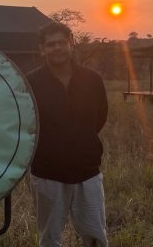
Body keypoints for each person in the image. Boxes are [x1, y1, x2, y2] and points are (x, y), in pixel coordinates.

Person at [28, 21, 109, 247]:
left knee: (95, 235)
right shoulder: (31, 83)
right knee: (49, 238)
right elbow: (27, 123)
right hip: (47, 173)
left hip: (87, 171)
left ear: (71, 44)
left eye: (62, 43)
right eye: (51, 44)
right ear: (42, 49)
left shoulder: (92, 80)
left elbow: (100, 117)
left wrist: (80, 141)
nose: (57, 48)